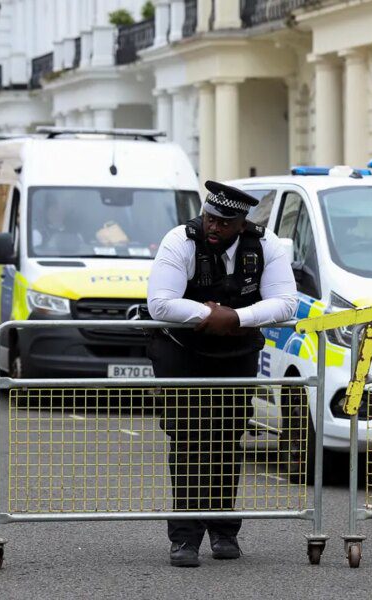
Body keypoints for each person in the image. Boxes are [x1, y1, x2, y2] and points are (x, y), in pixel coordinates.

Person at [147, 180, 297, 567]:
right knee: (189, 439)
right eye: (210, 218)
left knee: (227, 439)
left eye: (224, 222)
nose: (214, 227)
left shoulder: (267, 246)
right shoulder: (180, 239)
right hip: (182, 354)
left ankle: (224, 531)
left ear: (242, 223)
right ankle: (184, 538)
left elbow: (285, 303)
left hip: (236, 354)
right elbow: (160, 304)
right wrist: (208, 315)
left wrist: (236, 317)